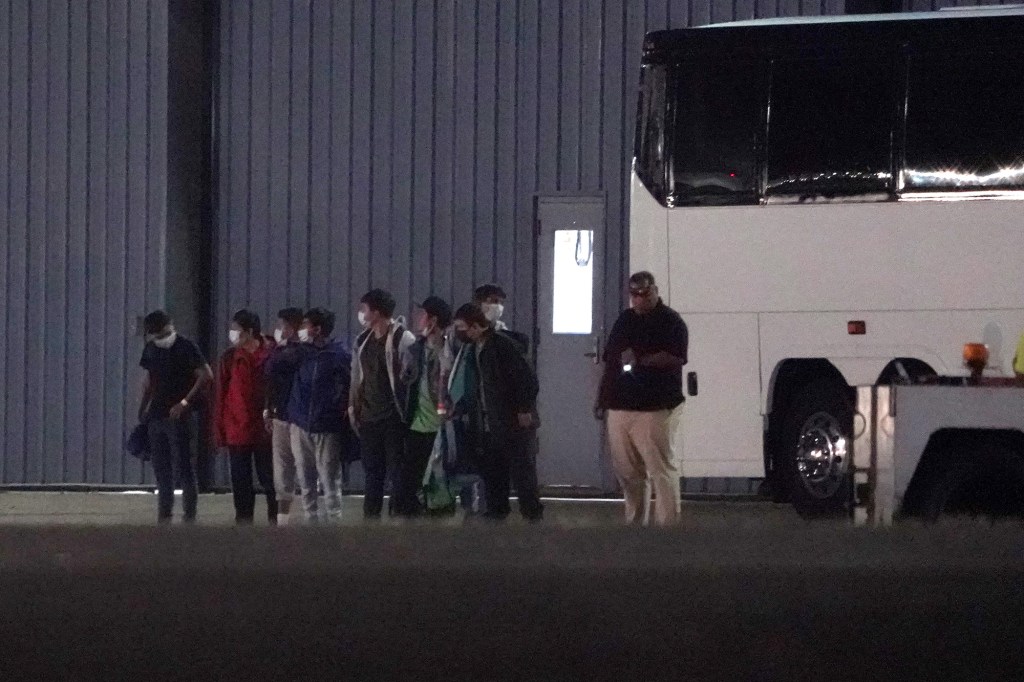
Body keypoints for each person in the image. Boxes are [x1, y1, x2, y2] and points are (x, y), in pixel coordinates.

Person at [595, 271, 688, 527]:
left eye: (644, 293)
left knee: (660, 468)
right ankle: (635, 523)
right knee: (628, 472)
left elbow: (677, 356)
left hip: (655, 406)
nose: (638, 299)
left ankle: (668, 526)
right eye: (634, 294)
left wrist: (641, 359)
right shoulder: (625, 320)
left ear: (655, 291)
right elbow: (611, 356)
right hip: (621, 403)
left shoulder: (671, 321)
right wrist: (603, 398)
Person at [452, 303, 543, 522]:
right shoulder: (474, 350)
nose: (459, 333)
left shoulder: (502, 347)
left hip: (510, 420)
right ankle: (496, 511)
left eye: (462, 327)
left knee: (522, 470)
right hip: (488, 422)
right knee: (494, 470)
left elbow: (527, 380)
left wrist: (523, 409)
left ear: (476, 327)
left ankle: (532, 514)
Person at [137, 310, 213, 524]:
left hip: (181, 416)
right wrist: (143, 409)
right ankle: (165, 514)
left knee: (185, 468)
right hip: (156, 415)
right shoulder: (151, 349)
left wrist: (184, 402)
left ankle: (189, 516)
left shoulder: (185, 346)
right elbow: (148, 381)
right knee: (161, 469)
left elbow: (206, 375)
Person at [349, 289, 416, 519]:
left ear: (376, 312)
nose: (361, 314)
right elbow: (357, 378)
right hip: (369, 418)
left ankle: (400, 515)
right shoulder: (362, 341)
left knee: (397, 473)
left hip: (392, 417)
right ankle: (371, 518)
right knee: (372, 474)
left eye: (364, 309)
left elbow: (412, 377)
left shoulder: (402, 338)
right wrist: (354, 406)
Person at [287, 308, 352, 521]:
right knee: (305, 480)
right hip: (300, 423)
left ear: (317, 329)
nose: (302, 330)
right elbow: (273, 368)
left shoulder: (338, 355)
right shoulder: (300, 353)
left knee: (329, 480)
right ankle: (310, 521)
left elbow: (351, 384)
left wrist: (338, 410)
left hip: (326, 426)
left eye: (306, 325)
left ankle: (334, 522)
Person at [213, 309, 277, 525]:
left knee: (270, 479)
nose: (232, 334)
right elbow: (221, 394)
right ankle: (243, 521)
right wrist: (219, 429)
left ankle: (275, 520)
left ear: (250, 332)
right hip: (237, 429)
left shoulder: (272, 354)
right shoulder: (229, 358)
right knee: (240, 481)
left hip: (265, 430)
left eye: (236, 330)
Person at [396, 296, 454, 516]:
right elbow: (405, 381)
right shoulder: (415, 349)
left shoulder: (450, 349)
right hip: (417, 426)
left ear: (433, 320)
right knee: (408, 485)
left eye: (423, 315)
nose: (419, 319)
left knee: (440, 485)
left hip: (441, 428)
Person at [264, 307, 306, 525]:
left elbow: (275, 366)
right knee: (282, 472)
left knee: (305, 469)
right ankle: (283, 521)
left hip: (299, 419)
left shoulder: (301, 352)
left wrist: (278, 350)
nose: (279, 330)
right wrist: (268, 409)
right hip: (279, 415)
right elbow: (269, 378)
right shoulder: (279, 351)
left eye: (283, 326)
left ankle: (313, 517)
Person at [472, 283, 530, 360]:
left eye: (501, 303)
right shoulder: (466, 328)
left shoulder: (500, 328)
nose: (499, 307)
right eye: (494, 301)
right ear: (478, 303)